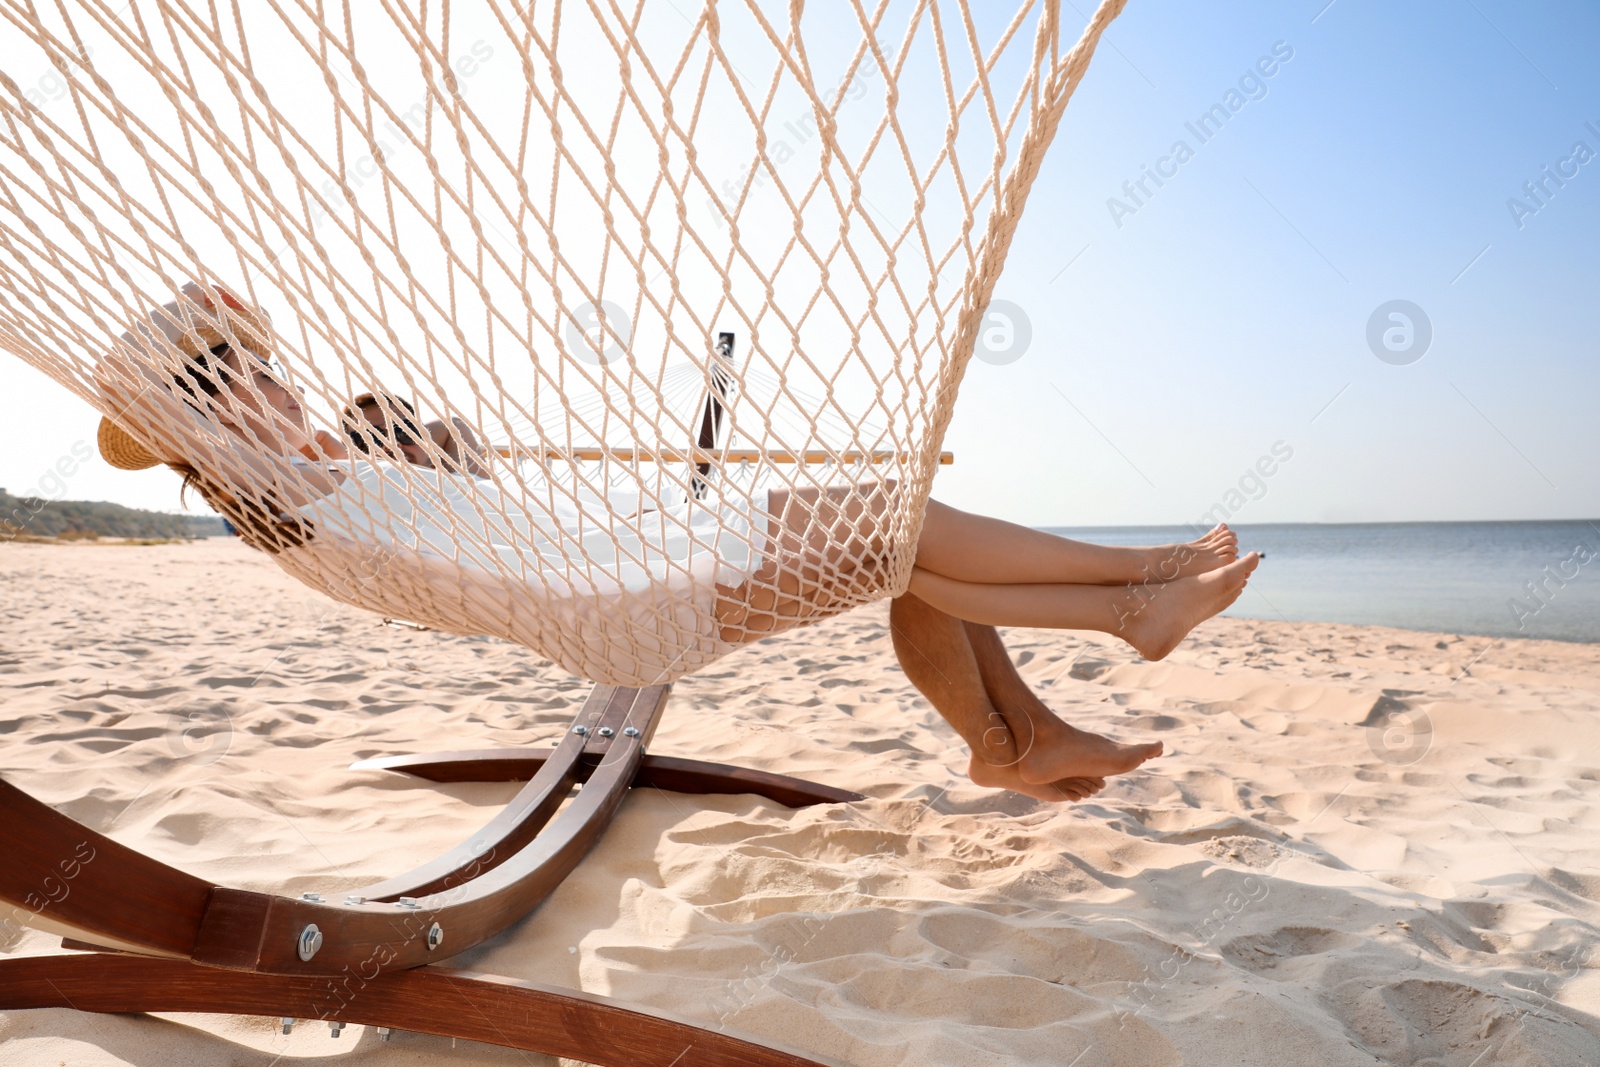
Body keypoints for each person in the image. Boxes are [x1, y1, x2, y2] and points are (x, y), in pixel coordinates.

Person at [97, 286, 1259, 803]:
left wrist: (402, 438)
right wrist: (209, 356)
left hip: (622, 567)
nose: (273, 377)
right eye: (242, 377)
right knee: (900, 525)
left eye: (263, 364)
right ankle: (1136, 593)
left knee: (905, 556)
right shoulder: (283, 501)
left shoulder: (339, 469)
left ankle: (1014, 740)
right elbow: (149, 391)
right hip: (621, 589)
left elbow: (468, 489)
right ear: (202, 424)